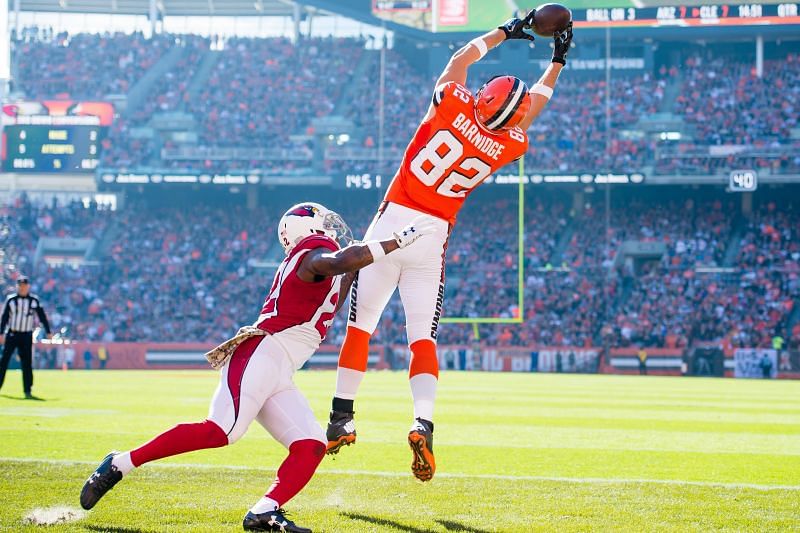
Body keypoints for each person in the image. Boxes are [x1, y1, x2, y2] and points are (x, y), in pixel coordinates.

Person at [79, 202, 435, 532]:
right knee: (222, 431)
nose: (332, 229)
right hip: (262, 352)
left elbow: (338, 284)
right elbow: (339, 262)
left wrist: (369, 262)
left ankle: (264, 510)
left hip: (279, 366)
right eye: (325, 224)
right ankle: (120, 463)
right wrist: (396, 241)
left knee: (310, 445)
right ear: (307, 229)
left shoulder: (318, 263)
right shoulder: (308, 255)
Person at [326, 13, 574, 482]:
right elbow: (535, 106)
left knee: (361, 329)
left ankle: (342, 417)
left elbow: (461, 58)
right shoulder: (510, 143)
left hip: (390, 222)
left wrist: (509, 29)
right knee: (422, 338)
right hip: (432, 236)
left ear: (483, 98)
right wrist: (557, 59)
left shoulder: (453, 104)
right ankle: (423, 421)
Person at [0, 275, 53, 398]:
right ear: (17, 286)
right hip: (12, 334)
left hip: (26, 335)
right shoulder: (11, 300)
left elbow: (42, 317)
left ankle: (27, 390)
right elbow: (4, 318)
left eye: (24, 285)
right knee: (4, 361)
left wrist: (48, 332)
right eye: (20, 285)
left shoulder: (34, 301)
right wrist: (1, 333)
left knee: (27, 363)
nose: (22, 288)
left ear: (28, 286)